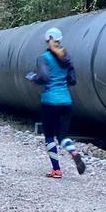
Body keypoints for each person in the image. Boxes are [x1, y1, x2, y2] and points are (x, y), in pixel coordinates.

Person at [26, 27, 86, 179]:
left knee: (49, 136)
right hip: (66, 101)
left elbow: (44, 78)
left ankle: (57, 170)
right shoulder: (67, 57)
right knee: (63, 136)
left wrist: (33, 77)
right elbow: (72, 80)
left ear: (47, 40)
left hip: (49, 102)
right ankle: (73, 152)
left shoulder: (43, 57)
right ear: (60, 40)